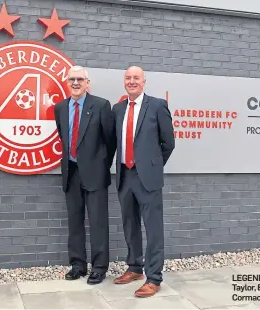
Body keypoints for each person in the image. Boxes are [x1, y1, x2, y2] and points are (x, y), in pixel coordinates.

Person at [112, 66, 175, 297]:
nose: (132, 81)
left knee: (153, 228)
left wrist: (152, 166)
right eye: (128, 78)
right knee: (130, 225)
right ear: (124, 82)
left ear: (144, 81)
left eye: (136, 78)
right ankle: (135, 267)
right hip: (124, 175)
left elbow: (168, 143)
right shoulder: (118, 108)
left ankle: (154, 278)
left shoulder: (157, 105)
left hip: (147, 178)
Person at [53, 66, 116, 285]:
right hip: (71, 172)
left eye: (80, 79)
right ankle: (78, 265)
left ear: (87, 83)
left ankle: (99, 268)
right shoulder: (60, 108)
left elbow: (110, 141)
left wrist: (100, 165)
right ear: (67, 82)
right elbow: (64, 137)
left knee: (98, 222)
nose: (76, 83)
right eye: (72, 79)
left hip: (95, 173)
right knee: (75, 222)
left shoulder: (101, 105)